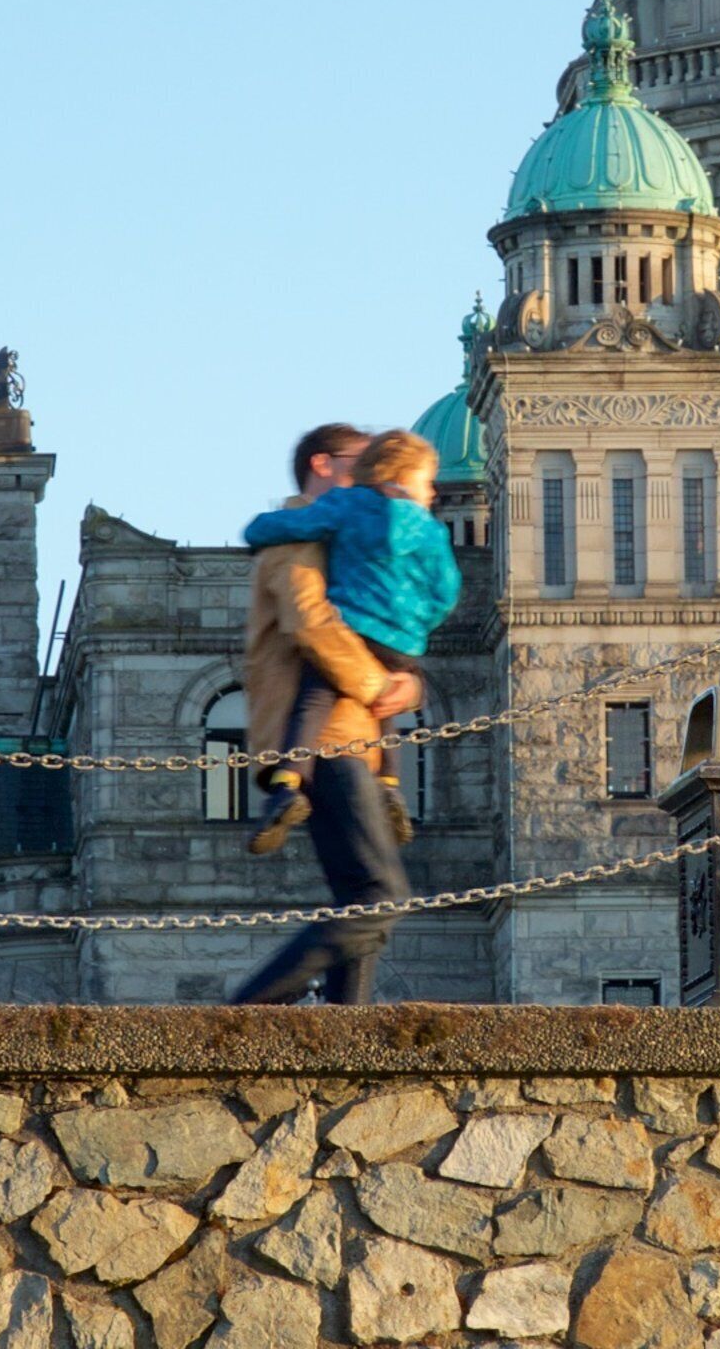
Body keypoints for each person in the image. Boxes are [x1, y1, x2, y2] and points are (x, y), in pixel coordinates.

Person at [228, 423, 424, 1006]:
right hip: (324, 740)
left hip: (350, 738)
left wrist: (409, 685)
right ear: (322, 465)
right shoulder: (298, 533)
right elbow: (310, 624)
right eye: (359, 462)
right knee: (380, 894)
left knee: (361, 904)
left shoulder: (339, 535)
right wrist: (380, 685)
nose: (371, 476)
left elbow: (382, 623)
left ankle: (345, 1031)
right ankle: (245, 1011)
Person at [236, 429, 455, 852]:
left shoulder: (344, 509)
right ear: (322, 463)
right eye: (358, 460)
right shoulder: (428, 529)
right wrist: (416, 633)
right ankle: (390, 784)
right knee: (371, 884)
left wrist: (256, 530)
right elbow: (445, 590)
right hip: (349, 728)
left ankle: (287, 784)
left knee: (314, 698)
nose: (364, 470)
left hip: (348, 710)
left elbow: (315, 624)